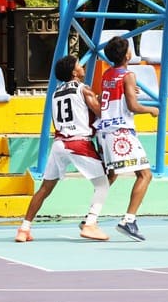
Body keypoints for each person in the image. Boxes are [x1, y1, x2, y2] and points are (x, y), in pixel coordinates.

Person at [16, 55, 113, 242]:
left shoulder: (54, 94)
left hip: (59, 143)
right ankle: (90, 224)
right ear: (73, 72)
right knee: (102, 185)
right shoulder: (84, 89)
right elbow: (101, 112)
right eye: (79, 65)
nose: (82, 67)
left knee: (44, 188)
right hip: (78, 142)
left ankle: (24, 228)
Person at [94, 36, 159, 242]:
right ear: (127, 55)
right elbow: (132, 106)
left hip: (104, 130)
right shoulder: (128, 75)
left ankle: (90, 217)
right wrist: (150, 110)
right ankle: (128, 220)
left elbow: (115, 95)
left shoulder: (106, 74)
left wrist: (129, 91)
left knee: (110, 175)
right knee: (145, 175)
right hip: (121, 131)